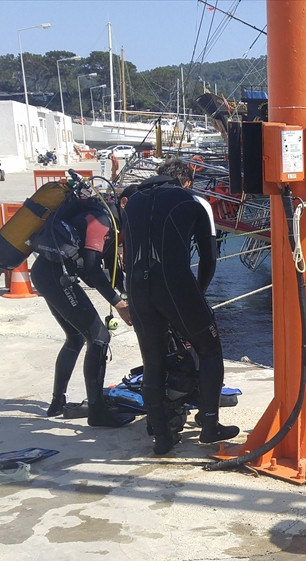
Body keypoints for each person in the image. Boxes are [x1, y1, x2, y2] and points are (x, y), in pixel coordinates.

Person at [122, 159, 238, 455]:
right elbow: (209, 258)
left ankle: (161, 437)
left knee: (153, 361)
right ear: (187, 182)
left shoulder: (132, 202)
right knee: (209, 348)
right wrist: (197, 295)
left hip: (136, 287)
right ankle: (209, 425)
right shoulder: (193, 200)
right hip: (174, 285)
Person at [31, 194, 135, 427]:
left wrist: (130, 297)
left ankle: (58, 402)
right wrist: (119, 305)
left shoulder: (117, 226)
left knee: (76, 337)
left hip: (47, 273)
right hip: (54, 277)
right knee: (99, 336)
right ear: (125, 202)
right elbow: (92, 271)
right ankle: (97, 412)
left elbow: (113, 271)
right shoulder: (101, 221)